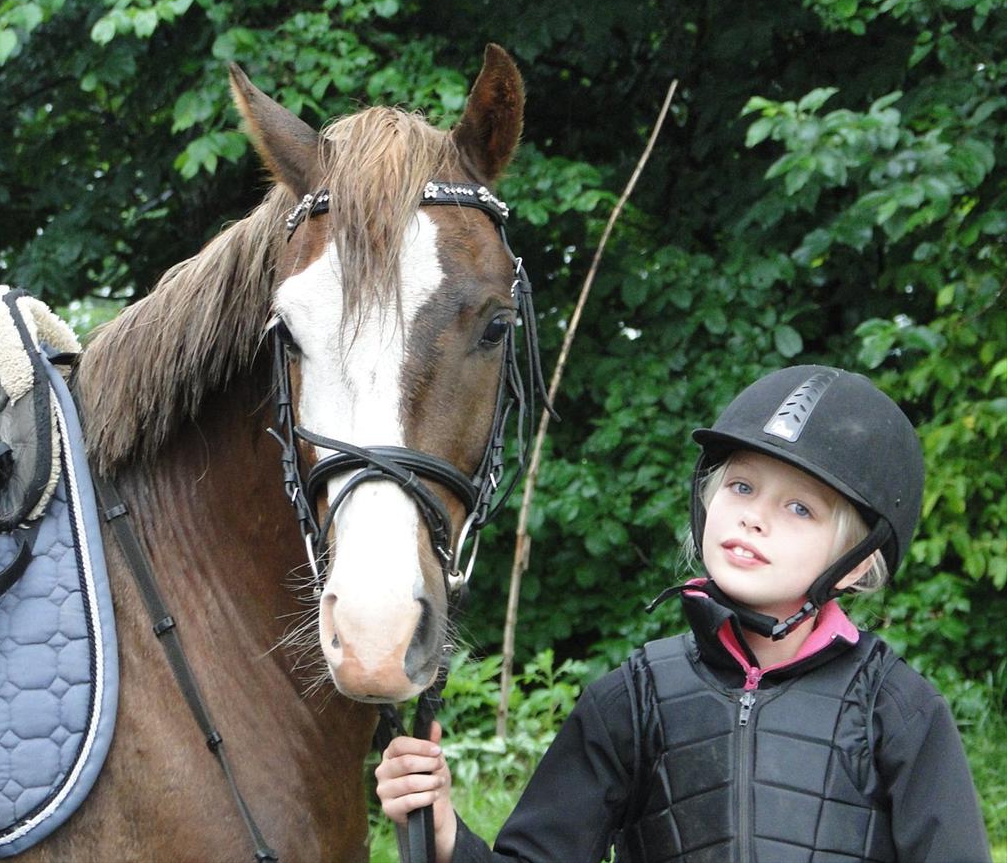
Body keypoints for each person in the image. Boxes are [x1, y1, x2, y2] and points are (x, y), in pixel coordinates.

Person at [376, 364, 992, 862]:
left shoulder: (898, 710)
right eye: (742, 487)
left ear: (858, 562)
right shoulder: (633, 700)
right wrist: (446, 838)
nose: (754, 516)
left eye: (800, 508)